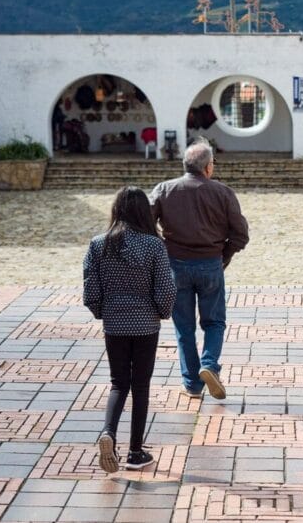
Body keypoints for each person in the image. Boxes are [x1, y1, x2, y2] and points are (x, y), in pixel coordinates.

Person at [83, 187, 176, 473]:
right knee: (141, 385)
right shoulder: (153, 245)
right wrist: (163, 312)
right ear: (143, 213)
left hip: (114, 323)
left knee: (118, 383)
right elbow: (165, 288)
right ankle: (136, 452)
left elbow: (90, 288)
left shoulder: (98, 244)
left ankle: (108, 433)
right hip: (146, 324)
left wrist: (103, 312)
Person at [149, 138, 249, 400]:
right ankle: (209, 364)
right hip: (210, 264)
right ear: (208, 167)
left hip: (176, 266)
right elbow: (240, 234)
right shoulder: (223, 193)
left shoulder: (164, 190)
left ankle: (192, 385)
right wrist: (223, 256)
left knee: (184, 327)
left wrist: (164, 247)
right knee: (214, 321)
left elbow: (145, 225)